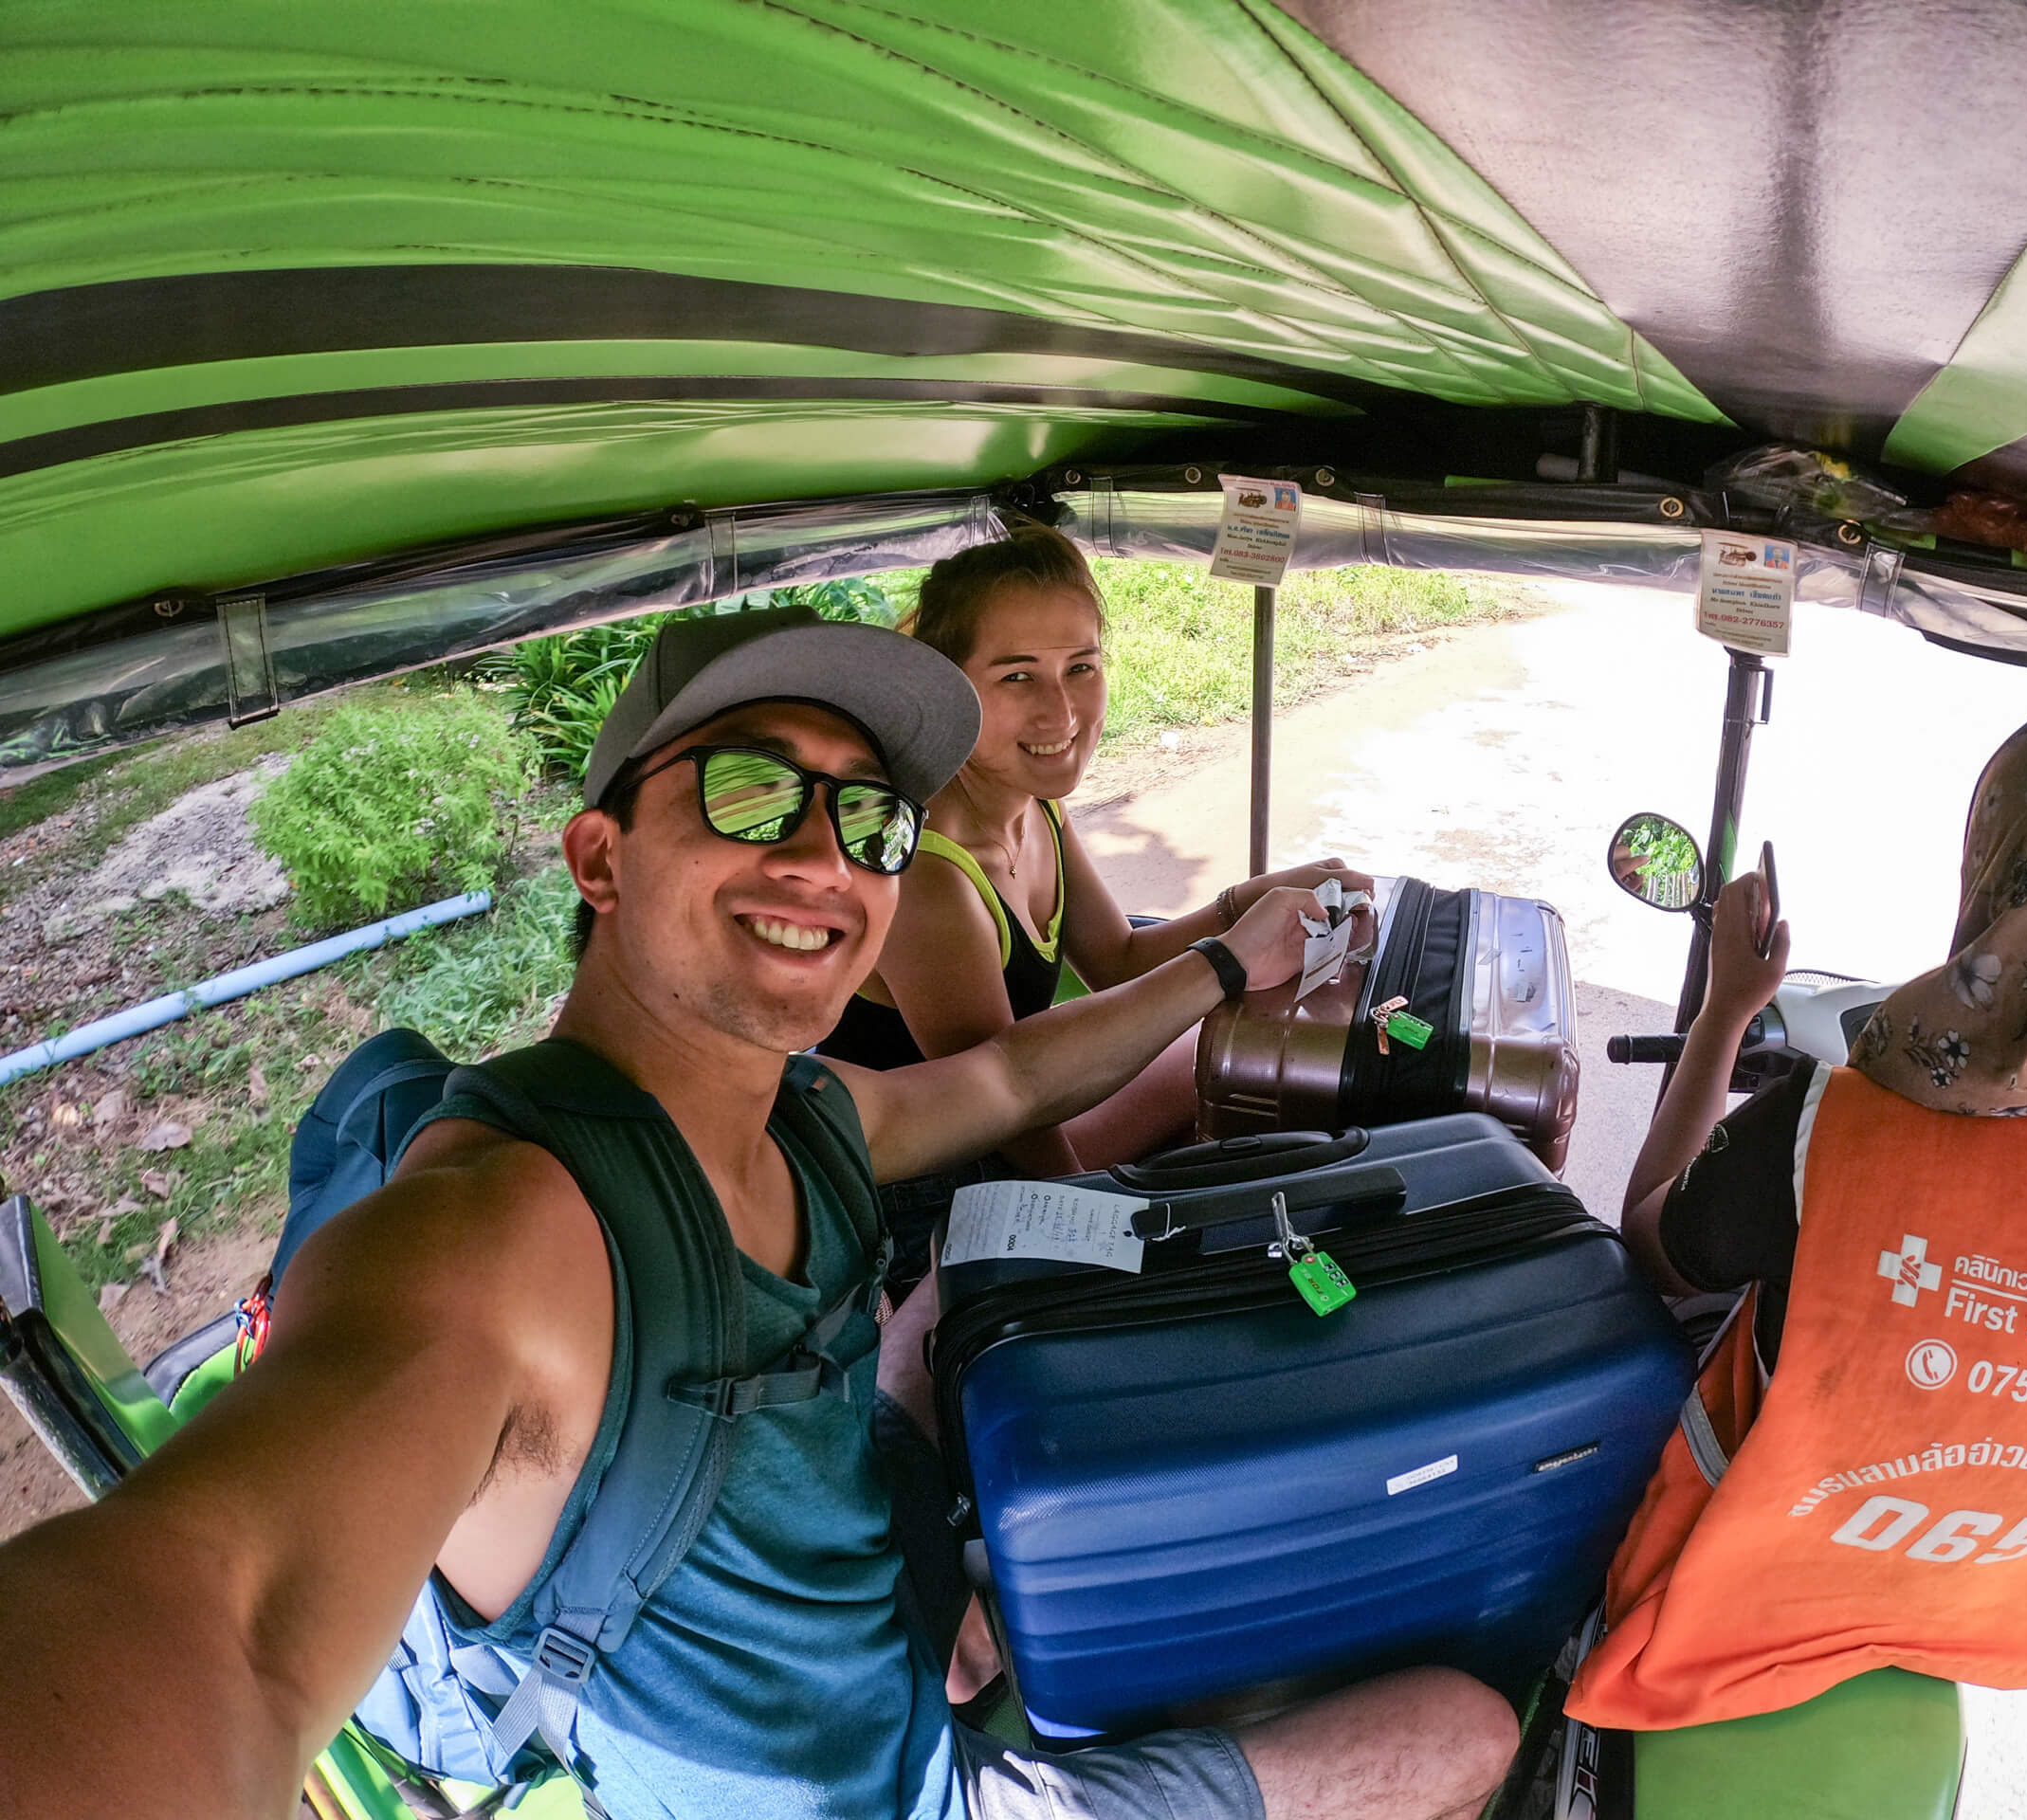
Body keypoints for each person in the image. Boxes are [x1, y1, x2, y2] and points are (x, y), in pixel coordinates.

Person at [0, 607, 1516, 1820]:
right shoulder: (498, 1238)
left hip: (891, 1627)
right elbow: (220, 1624)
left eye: (869, 823)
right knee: (1463, 1729)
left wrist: (1235, 968)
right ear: (602, 854)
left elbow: (995, 1083)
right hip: (874, 1793)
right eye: (748, 791)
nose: (821, 859)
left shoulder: (802, 1112)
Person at [1566, 702, 2027, 1731]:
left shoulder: (1835, 1132)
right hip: (2012, 1628)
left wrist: (1727, 1008)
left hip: (1722, 1617)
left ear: (2005, 885)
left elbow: (1647, 1248)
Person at [820, 528, 1370, 1294]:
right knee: (1229, 1083)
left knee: (1241, 1065)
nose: (1061, 712)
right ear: (945, 686)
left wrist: (1251, 900)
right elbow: (1013, 1106)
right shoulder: (930, 876)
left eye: (1081, 667)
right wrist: (1110, 1232)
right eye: (1017, 677)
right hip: (933, 1186)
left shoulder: (1030, 807)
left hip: (1025, 1110)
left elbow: (1116, 959)